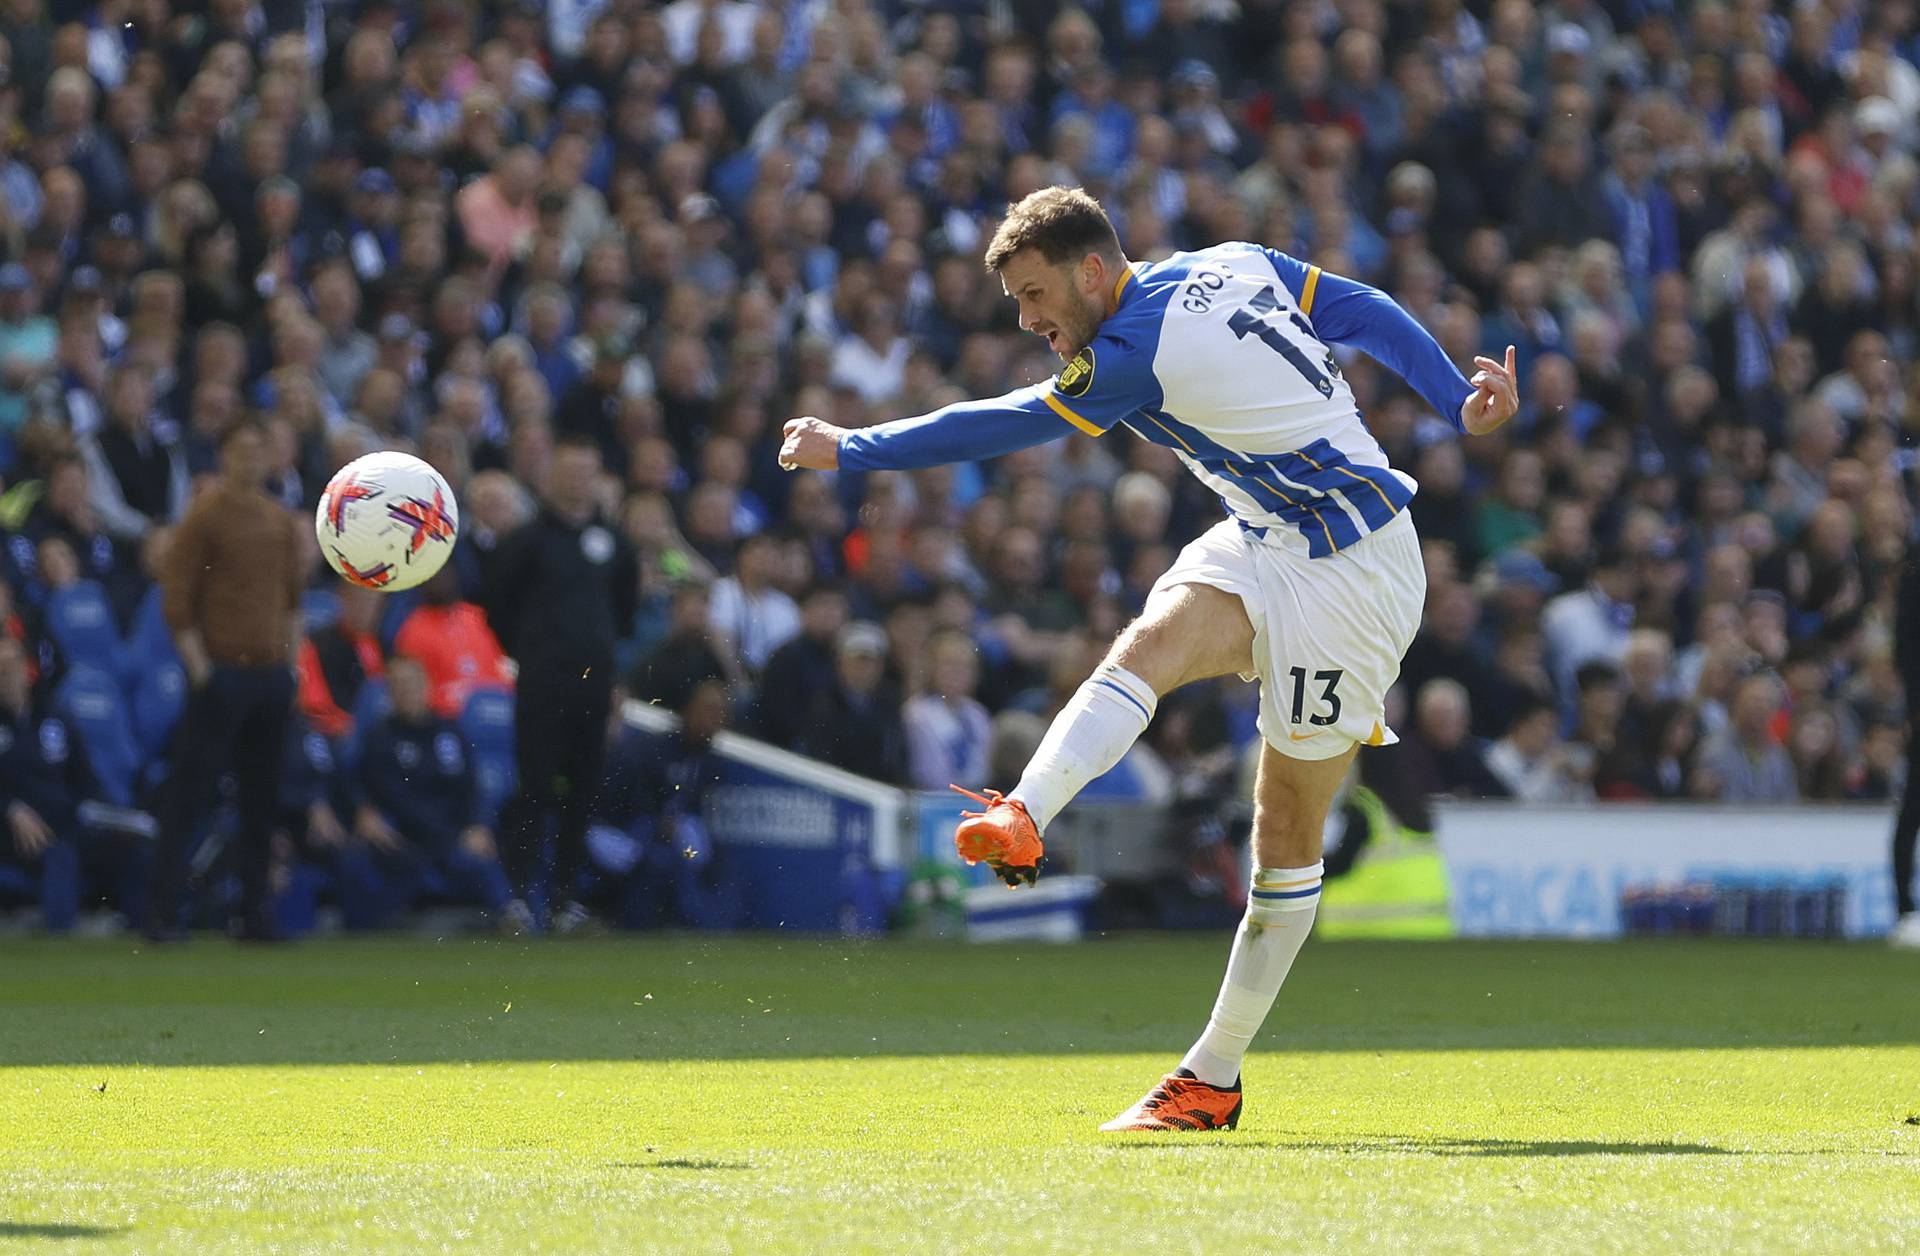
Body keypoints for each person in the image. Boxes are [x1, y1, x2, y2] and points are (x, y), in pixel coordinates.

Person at [779, 186, 1519, 1132]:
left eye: (1036, 294)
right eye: (1015, 303)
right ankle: (1023, 813)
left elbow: (1010, 422)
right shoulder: (1230, 260)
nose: (1029, 319)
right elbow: (1356, 308)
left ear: (1094, 270)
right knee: (1149, 642)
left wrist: (853, 447)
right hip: (1267, 532)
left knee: (1285, 824)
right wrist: (1455, 394)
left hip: (1356, 572)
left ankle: (1214, 1071)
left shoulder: (1133, 350)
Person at [148, 421, 303, 942]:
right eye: (241, 450)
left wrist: (290, 667)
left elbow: (292, 602)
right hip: (223, 670)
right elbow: (178, 596)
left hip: (268, 672)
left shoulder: (280, 520)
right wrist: (200, 669)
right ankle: (163, 911)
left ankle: (254, 912)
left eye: (259, 450)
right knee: (191, 793)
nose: (251, 460)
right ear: (223, 456)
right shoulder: (206, 515)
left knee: (263, 799)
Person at [482, 433, 637, 933]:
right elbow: (498, 608)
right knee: (534, 787)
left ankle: (565, 898)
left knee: (584, 790)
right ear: (549, 478)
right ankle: (520, 896)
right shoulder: (525, 542)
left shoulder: (615, 543)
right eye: (567, 473)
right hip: (542, 683)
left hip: (594, 686)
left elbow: (624, 613)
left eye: (584, 473)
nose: (575, 483)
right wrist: (534, 653)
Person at [349, 656, 515, 929]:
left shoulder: (449, 731)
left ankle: (510, 918)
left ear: (426, 686)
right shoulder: (379, 738)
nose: (407, 692)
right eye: (399, 686)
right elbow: (391, 795)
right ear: (390, 692)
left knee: (483, 858)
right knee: (373, 861)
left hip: (453, 834)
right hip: (406, 836)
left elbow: (470, 785)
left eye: (412, 684)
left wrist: (478, 825)